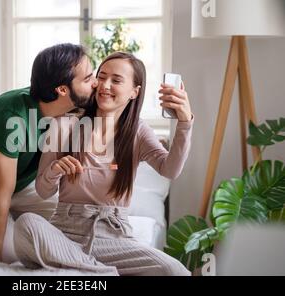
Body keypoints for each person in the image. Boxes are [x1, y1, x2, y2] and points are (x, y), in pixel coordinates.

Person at [13, 52, 194, 275]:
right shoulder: (65, 125)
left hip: (115, 239)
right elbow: (43, 190)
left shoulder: (138, 131)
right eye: (101, 76)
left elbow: (170, 169)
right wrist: (54, 171)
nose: (104, 85)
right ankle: (101, 271)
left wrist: (184, 123)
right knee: (27, 223)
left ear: (134, 92)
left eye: (116, 80)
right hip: (64, 234)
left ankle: (83, 267)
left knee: (173, 270)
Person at [0, 43, 98, 263]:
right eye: (87, 79)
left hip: (23, 187)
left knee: (76, 230)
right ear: (62, 90)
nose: (95, 83)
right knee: (10, 255)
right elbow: (1, 194)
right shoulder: (12, 115)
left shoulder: (74, 107)